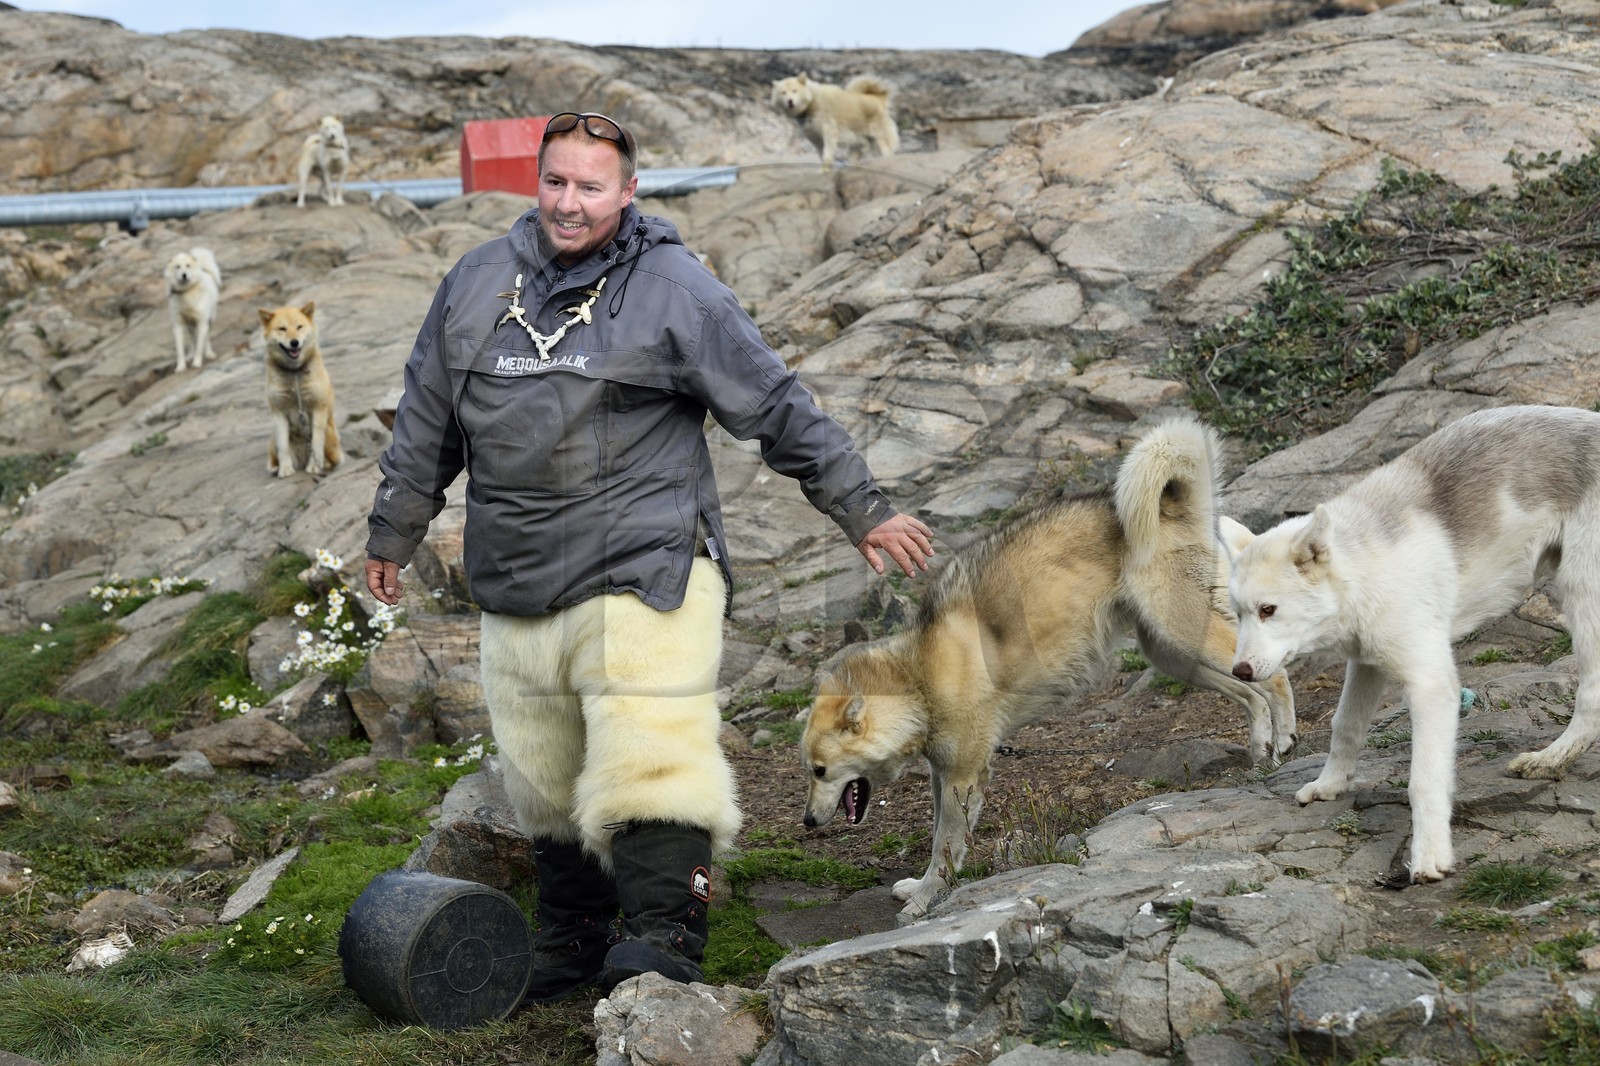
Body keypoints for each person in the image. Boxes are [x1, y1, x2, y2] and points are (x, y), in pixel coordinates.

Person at [363, 111, 933, 1001]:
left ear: (629, 193)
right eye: (556, 181)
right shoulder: (475, 282)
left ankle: (665, 936)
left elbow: (772, 403)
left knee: (649, 751)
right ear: (536, 182)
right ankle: (573, 942)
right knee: (543, 776)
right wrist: (392, 532)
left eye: (592, 186)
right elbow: (428, 419)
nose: (570, 202)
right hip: (516, 577)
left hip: (645, 563)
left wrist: (862, 508)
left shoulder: (675, 286)